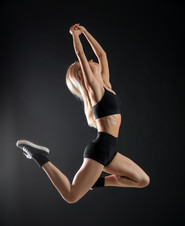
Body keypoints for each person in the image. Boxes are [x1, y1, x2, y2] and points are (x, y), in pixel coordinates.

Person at [16, 24, 150, 204]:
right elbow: (80, 54)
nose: (94, 62)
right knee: (71, 196)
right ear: (83, 74)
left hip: (111, 150)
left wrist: (86, 32)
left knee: (142, 180)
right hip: (101, 149)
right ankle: (39, 156)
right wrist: (75, 35)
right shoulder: (95, 90)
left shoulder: (106, 85)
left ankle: (96, 182)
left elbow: (102, 54)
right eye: (88, 63)